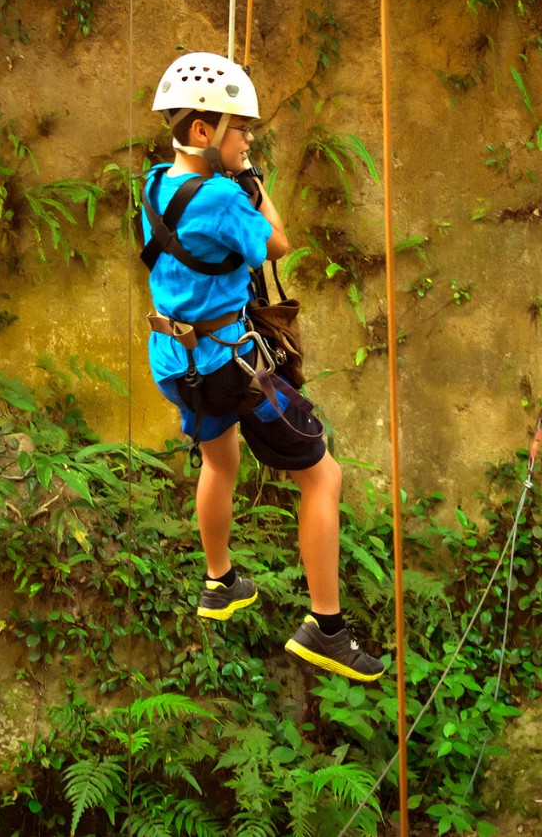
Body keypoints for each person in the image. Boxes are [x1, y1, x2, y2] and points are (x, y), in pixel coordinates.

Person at [140, 50, 384, 682]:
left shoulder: (155, 183)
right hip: (228, 363)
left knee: (220, 461)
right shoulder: (223, 196)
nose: (248, 139)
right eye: (241, 129)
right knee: (323, 477)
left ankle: (219, 581)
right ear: (205, 132)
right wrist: (257, 185)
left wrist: (237, 175)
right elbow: (276, 243)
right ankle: (325, 628)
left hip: (174, 359)